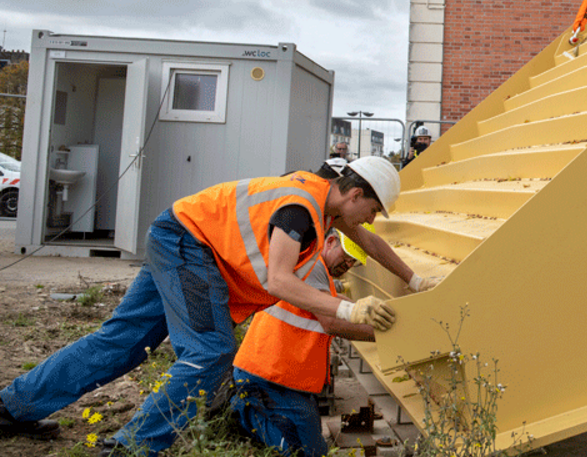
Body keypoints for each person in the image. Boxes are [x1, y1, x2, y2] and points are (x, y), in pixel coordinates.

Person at [0, 157, 431, 456]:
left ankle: (11, 408)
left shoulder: (321, 201)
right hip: (190, 244)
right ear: (354, 194)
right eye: (372, 209)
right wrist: (350, 311)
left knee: (122, 342)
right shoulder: (300, 209)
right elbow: (277, 280)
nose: (371, 220)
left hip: (182, 234)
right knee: (210, 352)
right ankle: (133, 448)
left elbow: (369, 242)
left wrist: (414, 280)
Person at [230, 229, 381, 457]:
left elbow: (330, 300)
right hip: (269, 378)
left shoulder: (318, 270)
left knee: (309, 446)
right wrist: (381, 334)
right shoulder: (313, 266)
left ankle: (249, 415)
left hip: (282, 378)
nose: (348, 264)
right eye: (347, 256)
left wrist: (362, 310)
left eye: (354, 262)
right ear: (330, 242)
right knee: (306, 452)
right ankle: (244, 412)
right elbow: (331, 323)